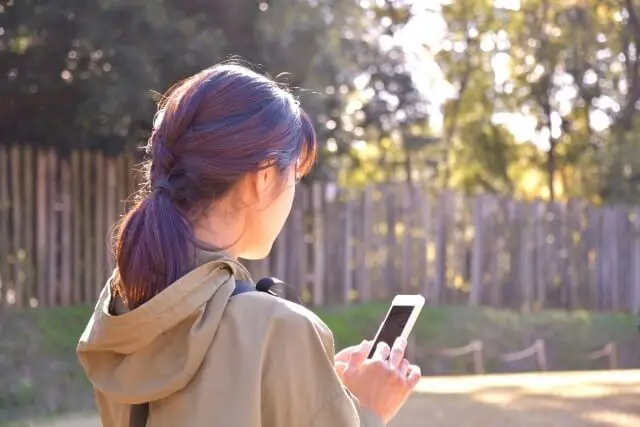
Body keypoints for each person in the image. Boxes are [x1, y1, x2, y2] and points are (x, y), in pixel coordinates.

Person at [77, 63, 421, 427]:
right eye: (295, 176)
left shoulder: (126, 308)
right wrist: (367, 408)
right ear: (264, 176)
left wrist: (319, 394)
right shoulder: (280, 330)